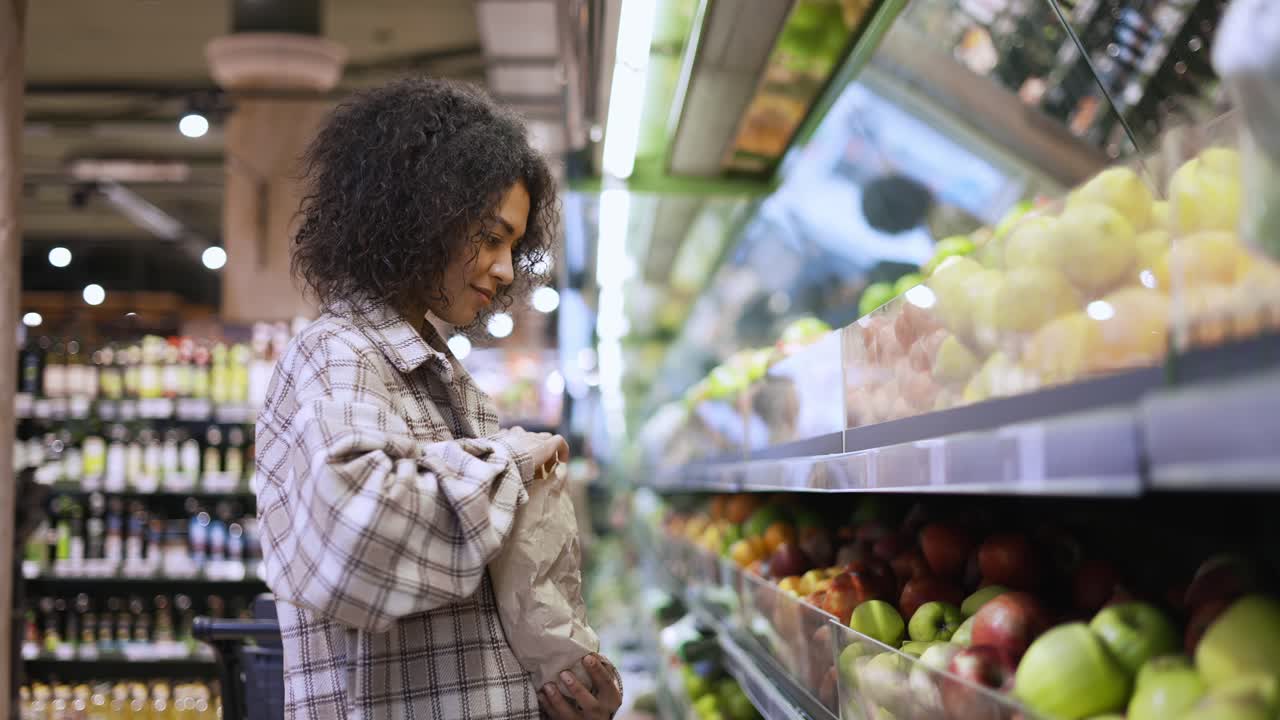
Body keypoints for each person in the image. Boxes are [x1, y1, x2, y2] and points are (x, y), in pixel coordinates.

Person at [254, 78, 622, 720]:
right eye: (488, 235)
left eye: (513, 244)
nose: (506, 269)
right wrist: (509, 462)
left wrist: (559, 689)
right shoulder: (339, 353)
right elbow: (359, 542)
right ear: (420, 214)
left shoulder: (443, 380)